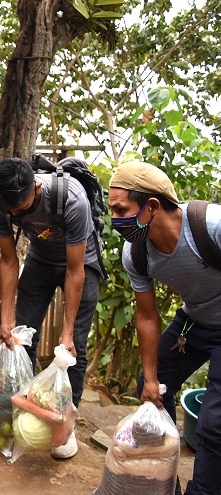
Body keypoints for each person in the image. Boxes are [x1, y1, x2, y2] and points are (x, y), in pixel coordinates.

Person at [108, 160, 221, 495]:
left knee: (215, 425)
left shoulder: (212, 226)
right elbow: (146, 315)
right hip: (194, 322)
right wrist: (152, 375)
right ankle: (163, 482)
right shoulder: (137, 253)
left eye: (121, 209)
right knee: (153, 386)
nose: (115, 220)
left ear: (152, 206)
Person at [0, 157, 102, 459]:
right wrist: (6, 317)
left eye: (19, 209)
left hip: (81, 261)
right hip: (40, 259)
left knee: (73, 346)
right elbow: (9, 260)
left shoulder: (71, 200)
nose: (13, 213)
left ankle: (65, 426)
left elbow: (75, 270)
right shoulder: (1, 203)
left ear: (35, 187)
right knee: (21, 335)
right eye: (9, 209)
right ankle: (20, 412)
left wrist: (66, 332)